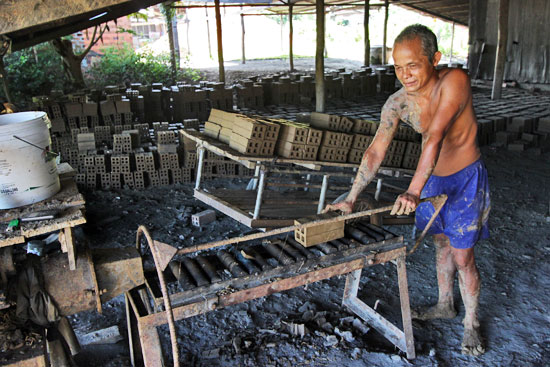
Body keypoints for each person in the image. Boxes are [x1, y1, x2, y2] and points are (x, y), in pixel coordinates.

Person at [323, 24, 490, 356]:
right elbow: (375, 150)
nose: (405, 74)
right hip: (434, 179)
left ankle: (471, 323)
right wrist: (352, 197)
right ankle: (445, 305)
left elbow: (435, 137)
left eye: (412, 64)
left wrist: (413, 191)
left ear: (435, 59)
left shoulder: (454, 81)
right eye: (398, 67)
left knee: (463, 256)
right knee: (441, 242)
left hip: (465, 178)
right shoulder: (397, 103)